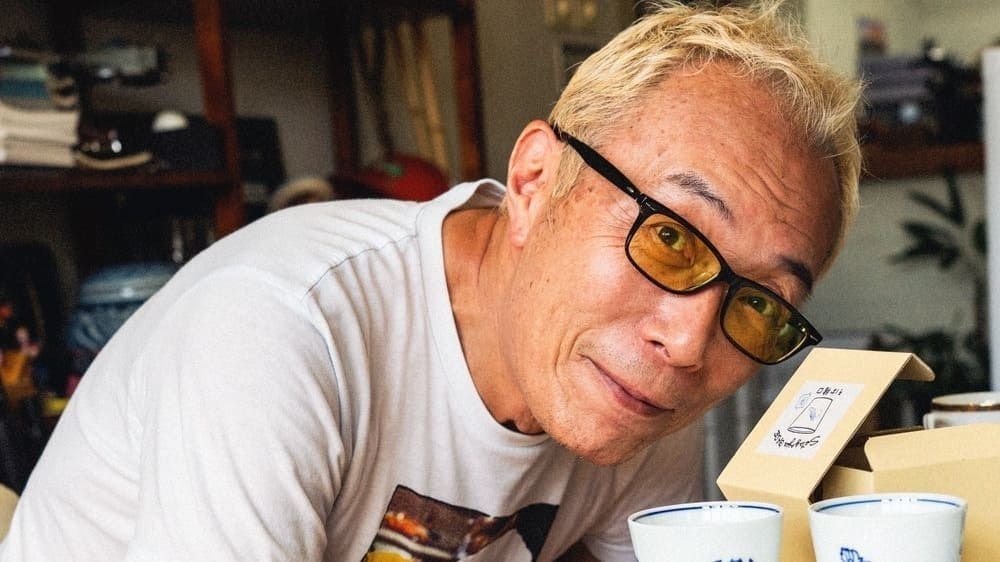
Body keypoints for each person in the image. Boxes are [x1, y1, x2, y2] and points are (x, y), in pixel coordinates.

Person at [0, 1, 861, 560]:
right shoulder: (281, 331)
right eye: (669, 237)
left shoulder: (645, 382)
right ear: (535, 181)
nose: (688, 339)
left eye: (762, 304)